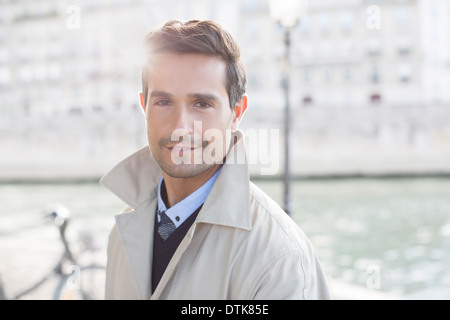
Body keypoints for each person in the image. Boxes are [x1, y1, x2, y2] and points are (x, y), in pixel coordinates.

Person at [100, 19, 331, 300]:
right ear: (143, 106)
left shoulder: (279, 258)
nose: (181, 127)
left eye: (202, 104)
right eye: (163, 102)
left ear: (236, 113)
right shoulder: (122, 234)